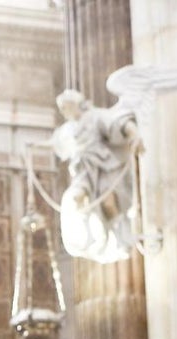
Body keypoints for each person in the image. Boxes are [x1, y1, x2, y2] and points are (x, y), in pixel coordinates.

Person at [51, 88, 142, 257]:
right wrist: (32, 147)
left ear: (74, 103)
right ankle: (87, 240)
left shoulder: (95, 116)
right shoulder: (68, 129)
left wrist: (135, 135)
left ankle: (122, 237)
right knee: (74, 199)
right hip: (83, 172)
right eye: (61, 108)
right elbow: (54, 143)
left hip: (104, 166)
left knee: (109, 204)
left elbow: (117, 124)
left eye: (65, 106)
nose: (63, 111)